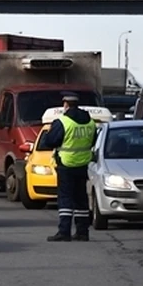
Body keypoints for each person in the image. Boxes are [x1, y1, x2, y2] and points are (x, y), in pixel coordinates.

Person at [38, 93, 97, 242]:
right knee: (81, 198)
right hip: (83, 164)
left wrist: (48, 134)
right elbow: (93, 141)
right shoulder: (90, 122)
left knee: (65, 198)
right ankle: (82, 232)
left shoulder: (63, 122)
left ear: (65, 104)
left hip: (66, 164)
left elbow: (50, 142)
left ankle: (64, 231)